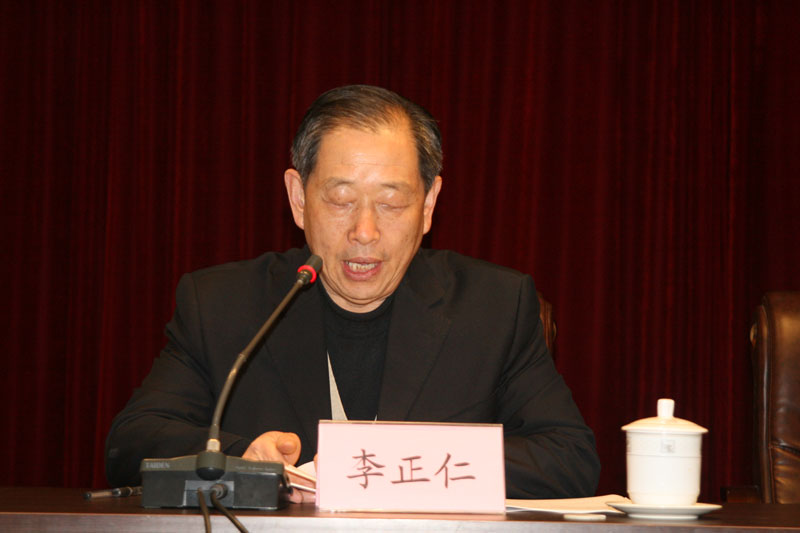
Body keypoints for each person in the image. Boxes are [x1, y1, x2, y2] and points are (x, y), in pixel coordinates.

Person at [105, 85, 600, 500]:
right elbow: (131, 444)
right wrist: (240, 457)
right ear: (299, 199)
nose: (364, 231)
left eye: (391, 203)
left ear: (429, 204)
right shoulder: (222, 304)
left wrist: (392, 467)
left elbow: (570, 458)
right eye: (341, 200)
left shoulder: (494, 306)